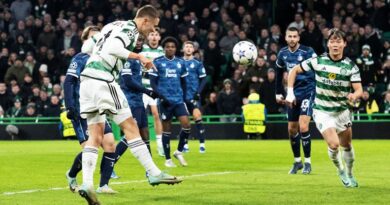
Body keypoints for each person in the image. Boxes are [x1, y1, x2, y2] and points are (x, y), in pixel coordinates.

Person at [78, 6, 182, 204]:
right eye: (152, 26)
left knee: (95, 136)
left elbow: (86, 48)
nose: (152, 31)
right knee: (131, 127)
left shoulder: (111, 25)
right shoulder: (130, 30)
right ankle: (153, 173)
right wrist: (140, 56)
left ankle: (87, 184)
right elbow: (113, 49)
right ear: (144, 20)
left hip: (87, 82)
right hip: (103, 80)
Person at [286, 28, 362, 188]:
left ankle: (349, 172)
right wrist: (290, 92)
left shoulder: (351, 66)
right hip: (322, 111)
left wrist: (354, 96)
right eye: (332, 41)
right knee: (334, 144)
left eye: (338, 41)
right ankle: (340, 170)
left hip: (342, 111)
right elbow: (294, 71)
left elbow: (359, 89)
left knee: (347, 145)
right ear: (328, 44)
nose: (335, 45)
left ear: (344, 44)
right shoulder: (318, 61)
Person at [64, 25, 119, 195]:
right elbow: (68, 82)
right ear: (85, 40)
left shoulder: (103, 59)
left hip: (98, 110)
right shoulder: (79, 58)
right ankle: (72, 174)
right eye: (92, 36)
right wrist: (70, 106)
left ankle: (103, 185)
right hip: (81, 111)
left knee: (110, 145)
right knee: (90, 147)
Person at [275, 27, 317, 174]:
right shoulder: (282, 53)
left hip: (308, 91)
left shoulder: (308, 52)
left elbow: (318, 69)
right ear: (286, 38)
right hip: (292, 93)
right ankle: (297, 161)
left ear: (298, 38)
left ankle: (308, 163)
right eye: (289, 36)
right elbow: (279, 73)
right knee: (292, 129)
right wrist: (278, 92)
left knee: (303, 126)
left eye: (294, 36)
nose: (292, 39)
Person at [149, 36, 191, 167]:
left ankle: (178, 151)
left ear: (176, 49)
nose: (170, 48)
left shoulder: (181, 62)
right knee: (167, 130)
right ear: (164, 48)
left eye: (172, 47)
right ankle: (168, 159)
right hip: (165, 101)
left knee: (187, 125)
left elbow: (184, 82)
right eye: (168, 47)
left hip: (178, 100)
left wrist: (184, 97)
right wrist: (161, 97)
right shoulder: (157, 62)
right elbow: (153, 82)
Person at [140, 30, 165, 157]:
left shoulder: (162, 51)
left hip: (155, 88)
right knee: (141, 116)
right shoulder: (142, 50)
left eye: (156, 35)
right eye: (151, 35)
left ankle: (160, 145)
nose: (154, 37)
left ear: (159, 37)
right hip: (143, 88)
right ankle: (142, 144)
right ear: (148, 37)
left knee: (156, 115)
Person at [182, 41, 207, 153]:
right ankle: (185, 144)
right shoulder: (178, 62)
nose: (188, 48)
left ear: (193, 50)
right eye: (186, 46)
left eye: (190, 47)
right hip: (182, 96)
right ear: (183, 49)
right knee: (185, 120)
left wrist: (198, 93)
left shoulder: (197, 63)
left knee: (197, 117)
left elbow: (204, 79)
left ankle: (202, 144)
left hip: (194, 95)